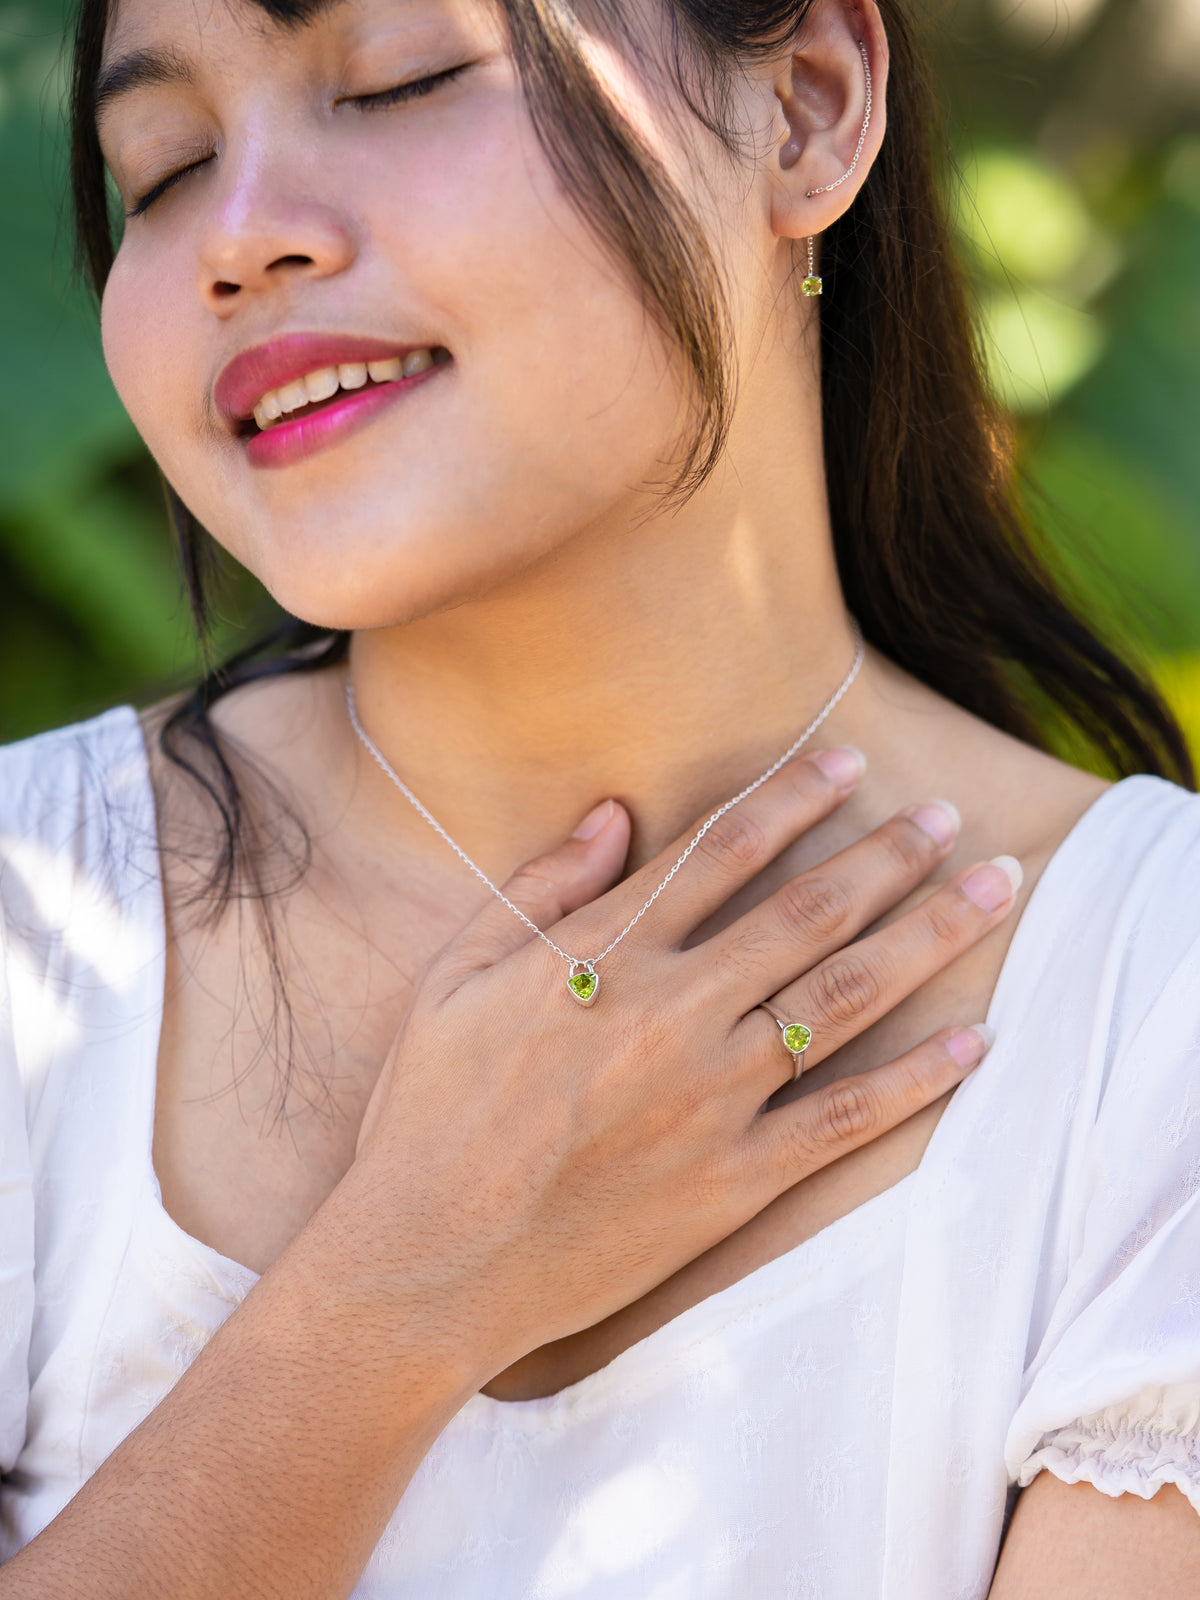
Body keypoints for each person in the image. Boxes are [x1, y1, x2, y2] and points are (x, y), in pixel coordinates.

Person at [1, 0, 1198, 1592]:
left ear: (811, 109)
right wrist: (403, 1287)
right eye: (161, 167)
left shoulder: (1155, 997)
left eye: (400, 77)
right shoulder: (32, 925)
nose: (237, 238)